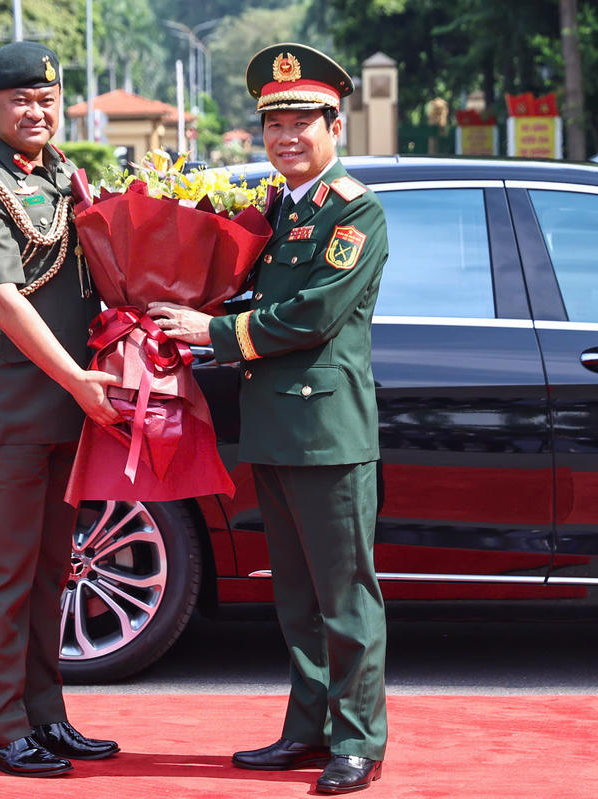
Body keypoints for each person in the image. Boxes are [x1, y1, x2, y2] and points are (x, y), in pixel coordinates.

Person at [148, 43, 389, 795]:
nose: (285, 138)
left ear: (334, 123)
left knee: (345, 595)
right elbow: (246, 293)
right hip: (278, 428)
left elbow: (312, 316)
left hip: (328, 432)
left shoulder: (354, 212)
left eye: (301, 122)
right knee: (297, 595)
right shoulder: (281, 209)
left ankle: (357, 739)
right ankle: (307, 727)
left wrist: (209, 333)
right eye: (273, 125)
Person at [0, 40, 121, 777]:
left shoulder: (67, 176)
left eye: (46, 99)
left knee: (50, 572)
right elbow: (1, 298)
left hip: (61, 413)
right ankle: (0, 728)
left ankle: (46, 715)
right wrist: (77, 377)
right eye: (20, 100)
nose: (36, 111)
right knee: (0, 573)